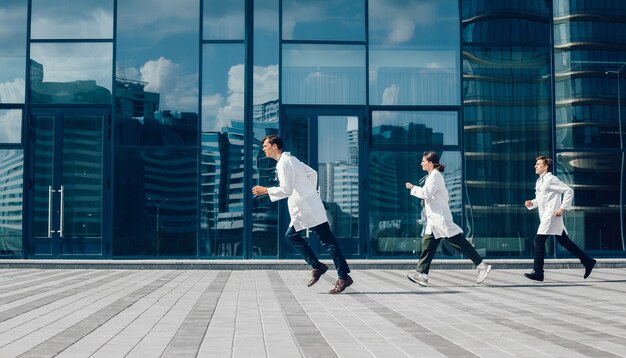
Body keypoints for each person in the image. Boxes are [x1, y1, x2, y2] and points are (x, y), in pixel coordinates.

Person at [252, 135, 353, 294]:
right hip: (307, 207)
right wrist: (308, 193)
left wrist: (265, 190)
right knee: (297, 236)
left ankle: (338, 275)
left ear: (275, 146)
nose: (263, 149)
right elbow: (312, 173)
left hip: (307, 209)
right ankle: (320, 267)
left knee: (325, 242)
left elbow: (287, 189)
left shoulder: (283, 163)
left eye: (265, 146)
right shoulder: (292, 160)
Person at [405, 151, 491, 287]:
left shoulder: (435, 176)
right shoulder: (432, 176)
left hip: (441, 218)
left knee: (458, 242)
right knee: (427, 245)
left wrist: (412, 188)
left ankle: (481, 265)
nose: (421, 163)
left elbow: (426, 193)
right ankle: (422, 275)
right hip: (433, 220)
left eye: (423, 161)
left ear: (431, 163)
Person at [524, 156, 596, 282]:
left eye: (538, 164)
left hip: (552, 216)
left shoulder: (551, 179)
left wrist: (563, 208)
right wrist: (532, 203)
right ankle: (588, 261)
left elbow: (569, 191)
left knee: (538, 240)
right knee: (564, 241)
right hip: (547, 216)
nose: (535, 166)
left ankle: (538, 272)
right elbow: (541, 200)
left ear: (546, 167)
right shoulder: (540, 181)